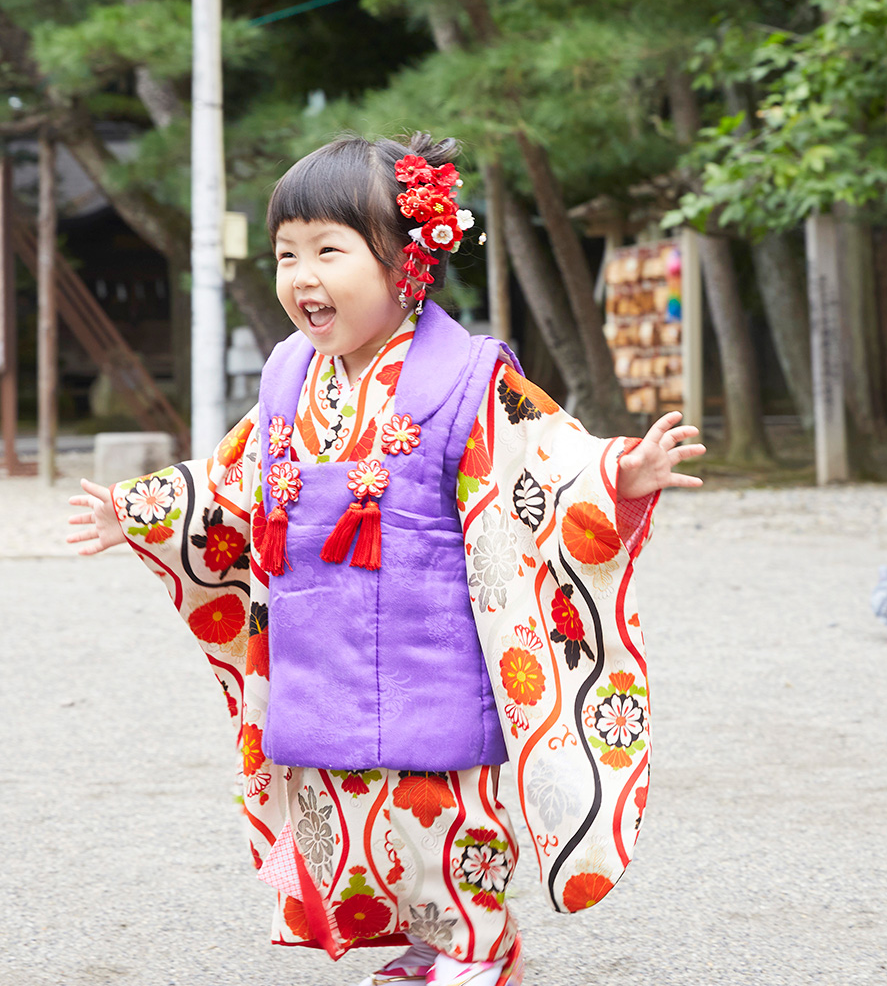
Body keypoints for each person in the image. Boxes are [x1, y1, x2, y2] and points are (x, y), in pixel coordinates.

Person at [66, 134, 702, 986]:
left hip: (429, 649)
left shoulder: (467, 376)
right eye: (287, 253)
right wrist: (141, 509)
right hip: (318, 647)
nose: (302, 276)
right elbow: (232, 480)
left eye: (330, 250)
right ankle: (422, 941)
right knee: (352, 815)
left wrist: (617, 472)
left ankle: (479, 946)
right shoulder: (289, 376)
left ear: (407, 260)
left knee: (441, 815)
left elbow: (542, 464)